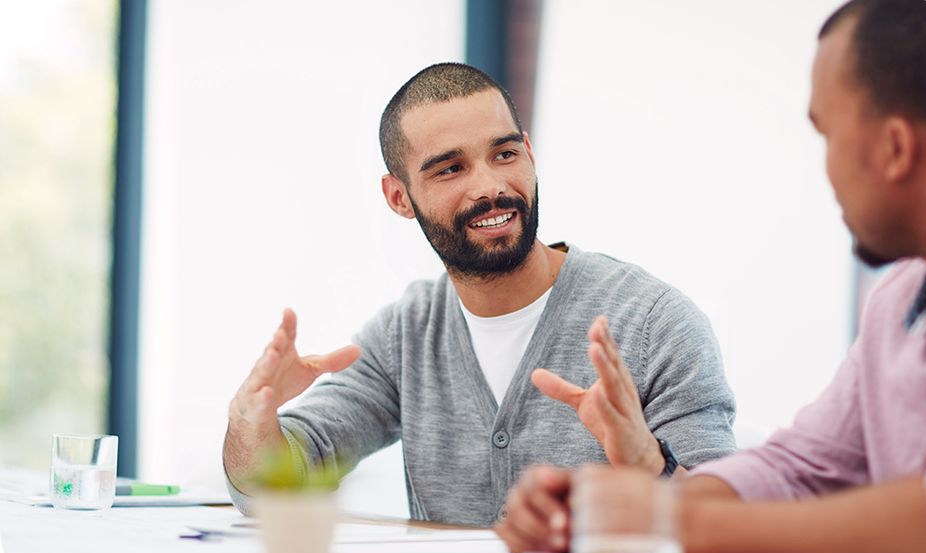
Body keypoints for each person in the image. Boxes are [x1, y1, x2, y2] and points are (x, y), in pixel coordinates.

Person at [496, 0, 926, 553]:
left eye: (827, 134)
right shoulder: (900, 302)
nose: (827, 171)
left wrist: (662, 523)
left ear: (895, 148)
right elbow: (798, 469)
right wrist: (602, 505)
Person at [222, 63, 738, 526]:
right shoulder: (407, 333)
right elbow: (270, 491)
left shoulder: (655, 324)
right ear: (399, 197)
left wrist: (649, 463)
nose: (490, 186)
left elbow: (727, 523)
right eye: (451, 168)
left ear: (530, 155)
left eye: (505, 153)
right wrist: (250, 423)